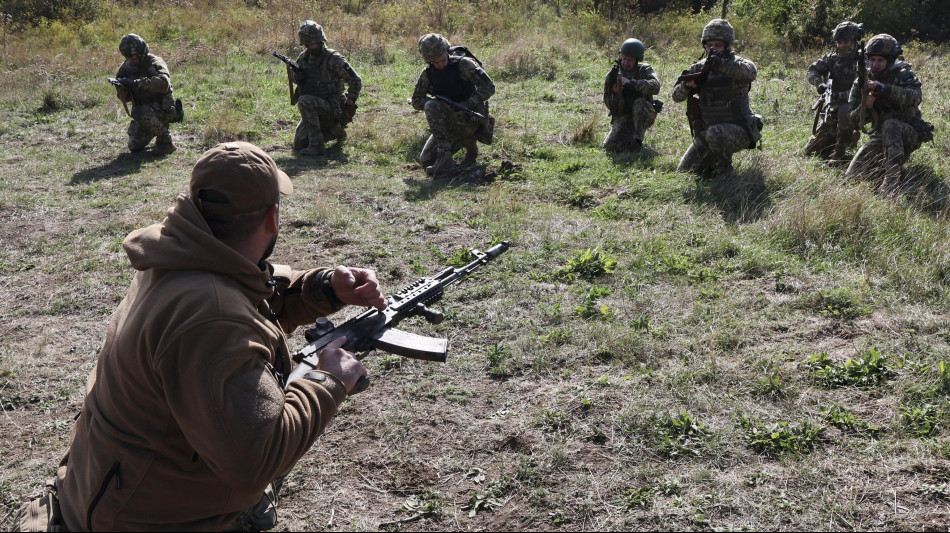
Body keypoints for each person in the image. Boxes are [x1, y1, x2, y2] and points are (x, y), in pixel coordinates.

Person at [25, 142, 386, 531]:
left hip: (119, 483)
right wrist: (326, 380)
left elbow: (247, 290)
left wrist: (323, 286)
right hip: (144, 518)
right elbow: (257, 459)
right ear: (272, 218)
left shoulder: (178, 254)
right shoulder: (211, 319)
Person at [671, 19, 762, 178]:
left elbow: (750, 73)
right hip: (708, 133)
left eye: (717, 45)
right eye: (709, 45)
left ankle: (725, 174)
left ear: (727, 45)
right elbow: (676, 97)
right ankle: (711, 166)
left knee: (716, 133)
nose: (712, 49)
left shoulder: (739, 64)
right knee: (685, 172)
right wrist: (687, 86)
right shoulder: (698, 68)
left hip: (740, 130)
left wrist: (721, 64)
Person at [845, 33, 933, 195]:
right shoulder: (862, 81)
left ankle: (891, 183)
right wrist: (865, 106)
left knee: (890, 124)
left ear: (890, 60)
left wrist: (885, 89)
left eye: (880, 60)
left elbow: (915, 97)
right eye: (872, 60)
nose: (875, 64)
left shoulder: (903, 74)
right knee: (852, 176)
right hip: (880, 138)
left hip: (908, 135)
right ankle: (889, 166)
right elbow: (852, 117)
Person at [410, 33, 495, 177]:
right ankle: (457, 147)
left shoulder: (464, 64)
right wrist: (441, 104)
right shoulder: (428, 74)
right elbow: (416, 101)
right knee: (426, 159)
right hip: (448, 124)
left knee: (431, 106)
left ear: (447, 51)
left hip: (470, 120)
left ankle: (454, 151)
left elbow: (489, 87)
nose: (440, 65)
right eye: (435, 62)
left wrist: (469, 102)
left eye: (443, 60)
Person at [291, 21, 362, 156]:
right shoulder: (304, 57)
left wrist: (349, 103)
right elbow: (294, 78)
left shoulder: (333, 58)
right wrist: (297, 77)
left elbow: (355, 80)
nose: (313, 46)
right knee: (299, 144)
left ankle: (317, 146)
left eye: (315, 43)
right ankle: (335, 131)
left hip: (332, 106)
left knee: (304, 101)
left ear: (321, 40)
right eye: (309, 44)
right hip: (314, 108)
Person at [803, 21, 864, 164]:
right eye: (839, 42)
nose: (842, 45)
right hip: (832, 107)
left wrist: (838, 96)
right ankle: (847, 138)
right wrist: (819, 83)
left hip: (853, 107)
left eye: (846, 42)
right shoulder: (831, 58)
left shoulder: (861, 61)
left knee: (844, 113)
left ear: (854, 41)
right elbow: (812, 70)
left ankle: (840, 152)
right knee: (812, 149)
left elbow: (861, 89)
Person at [113, 33, 182, 154]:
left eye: (134, 58)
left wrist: (136, 83)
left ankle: (166, 140)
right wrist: (122, 89)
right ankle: (154, 128)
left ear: (142, 53)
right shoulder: (124, 69)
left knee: (138, 112)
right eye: (128, 58)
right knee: (134, 145)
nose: (131, 61)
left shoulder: (154, 62)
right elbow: (125, 98)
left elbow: (164, 84)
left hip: (164, 108)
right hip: (144, 113)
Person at [603, 38, 661, 154]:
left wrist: (631, 83)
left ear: (637, 60)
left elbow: (655, 87)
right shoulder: (613, 74)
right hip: (624, 115)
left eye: (630, 60)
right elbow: (609, 104)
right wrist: (616, 94)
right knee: (610, 147)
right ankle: (629, 138)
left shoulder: (644, 70)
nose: (626, 63)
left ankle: (638, 141)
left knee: (639, 102)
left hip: (644, 114)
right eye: (624, 58)